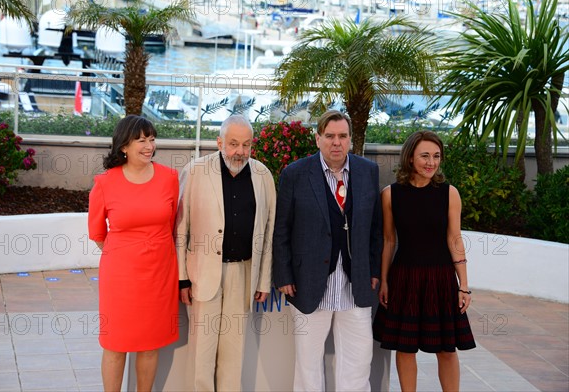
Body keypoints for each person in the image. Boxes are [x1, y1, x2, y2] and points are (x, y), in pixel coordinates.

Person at [272, 110, 383, 391]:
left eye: (343, 136)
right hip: (308, 282)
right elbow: (281, 230)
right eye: (330, 136)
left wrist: (372, 270)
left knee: (359, 361)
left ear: (350, 140)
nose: (337, 142)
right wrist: (283, 275)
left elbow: (375, 229)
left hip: (355, 283)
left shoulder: (368, 172)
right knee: (308, 362)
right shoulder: (295, 174)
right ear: (318, 138)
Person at [175, 114, 276, 391]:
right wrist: (182, 279)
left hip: (243, 273)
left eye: (246, 145)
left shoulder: (263, 175)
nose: (239, 152)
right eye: (233, 144)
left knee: (234, 352)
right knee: (202, 354)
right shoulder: (195, 171)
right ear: (219, 142)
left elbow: (268, 233)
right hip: (203, 275)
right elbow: (181, 229)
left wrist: (263, 280)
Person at [372, 130, 476, 391]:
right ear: (410, 159)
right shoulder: (390, 194)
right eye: (425, 156)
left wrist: (463, 285)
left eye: (437, 156)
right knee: (405, 348)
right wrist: (384, 280)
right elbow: (389, 240)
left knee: (446, 348)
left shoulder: (449, 193)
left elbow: (455, 239)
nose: (432, 162)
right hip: (404, 277)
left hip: (441, 278)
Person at [88, 115, 179, 391]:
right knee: (115, 345)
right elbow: (97, 234)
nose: (148, 145)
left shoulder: (170, 178)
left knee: (150, 346)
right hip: (121, 280)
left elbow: (172, 223)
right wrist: (127, 254)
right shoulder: (105, 182)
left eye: (151, 139)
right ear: (124, 146)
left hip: (159, 276)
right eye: (141, 140)